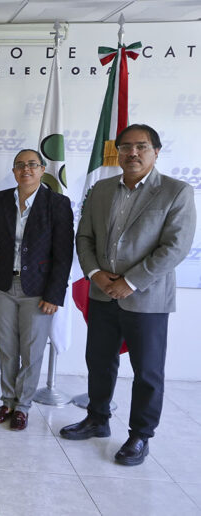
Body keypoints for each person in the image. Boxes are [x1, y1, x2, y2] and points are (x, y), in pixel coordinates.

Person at [59, 124, 195, 465]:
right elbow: (84, 237)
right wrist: (95, 273)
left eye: (141, 146)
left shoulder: (175, 191)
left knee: (147, 371)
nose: (132, 152)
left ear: (156, 152)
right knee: (99, 361)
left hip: (147, 298)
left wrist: (131, 282)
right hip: (102, 293)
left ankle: (140, 435)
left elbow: (175, 247)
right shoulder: (102, 189)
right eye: (125, 147)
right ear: (117, 152)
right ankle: (97, 418)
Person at [0, 149, 73, 431]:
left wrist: (54, 294)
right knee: (7, 349)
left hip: (39, 290)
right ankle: (7, 402)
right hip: (3, 286)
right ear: (14, 171)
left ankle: (23, 406)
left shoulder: (57, 204)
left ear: (42, 169)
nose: (26, 169)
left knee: (31, 352)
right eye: (20, 165)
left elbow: (63, 254)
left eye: (32, 164)